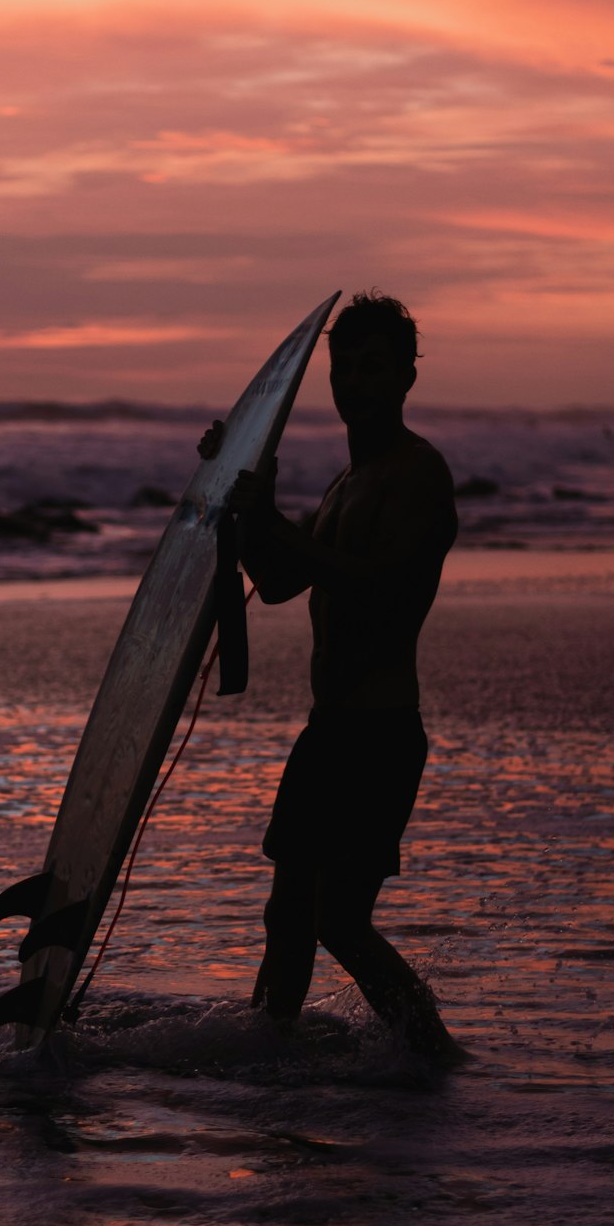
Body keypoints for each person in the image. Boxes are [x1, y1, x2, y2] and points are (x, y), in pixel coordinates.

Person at [199, 291, 459, 1057]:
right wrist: (245, 495)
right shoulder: (345, 484)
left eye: (374, 367)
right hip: (329, 729)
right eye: (344, 367)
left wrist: (274, 522)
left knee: (339, 920)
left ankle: (438, 1060)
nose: (356, 382)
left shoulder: (418, 474)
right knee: (287, 915)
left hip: (381, 731)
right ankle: (266, 1047)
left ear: (407, 376)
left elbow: (379, 584)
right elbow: (280, 581)